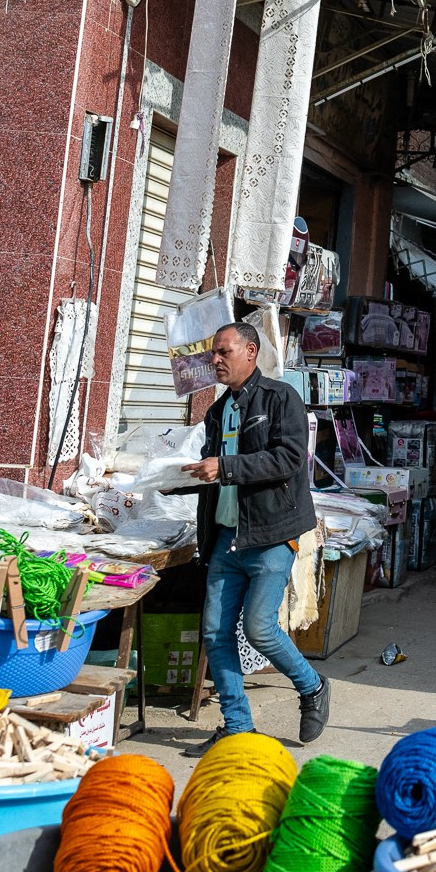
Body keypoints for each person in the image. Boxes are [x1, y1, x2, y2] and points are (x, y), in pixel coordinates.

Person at [185, 320, 330, 750]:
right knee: (215, 633)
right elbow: (214, 471)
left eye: (223, 352)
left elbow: (288, 458)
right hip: (225, 536)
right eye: (213, 352)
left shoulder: (280, 397)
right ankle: (237, 725)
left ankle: (313, 688)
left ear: (251, 352)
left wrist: (225, 467)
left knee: (260, 628)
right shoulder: (217, 411)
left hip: (270, 534)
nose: (215, 360)